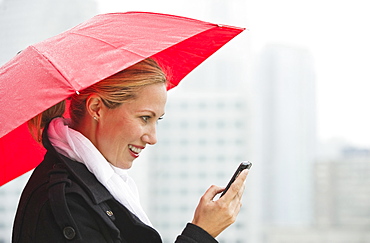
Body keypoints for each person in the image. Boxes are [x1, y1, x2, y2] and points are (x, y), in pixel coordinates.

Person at [12, 58, 249, 242]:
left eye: (158, 120)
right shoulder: (65, 203)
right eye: (145, 118)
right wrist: (201, 233)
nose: (153, 138)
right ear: (96, 108)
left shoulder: (91, 183)